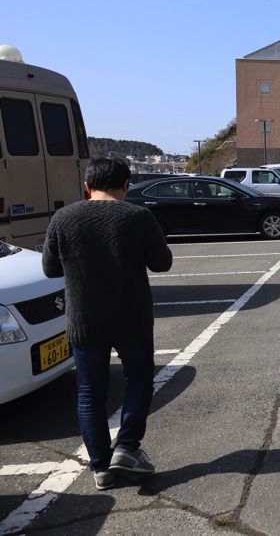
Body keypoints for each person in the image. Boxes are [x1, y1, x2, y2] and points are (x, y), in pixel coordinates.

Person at [42, 157, 173, 490]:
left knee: (90, 392)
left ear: (87, 186)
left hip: (85, 319)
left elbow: (50, 269)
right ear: (126, 185)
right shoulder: (138, 217)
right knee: (139, 379)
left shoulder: (63, 218)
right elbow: (162, 263)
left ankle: (101, 467)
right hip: (132, 317)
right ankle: (127, 447)